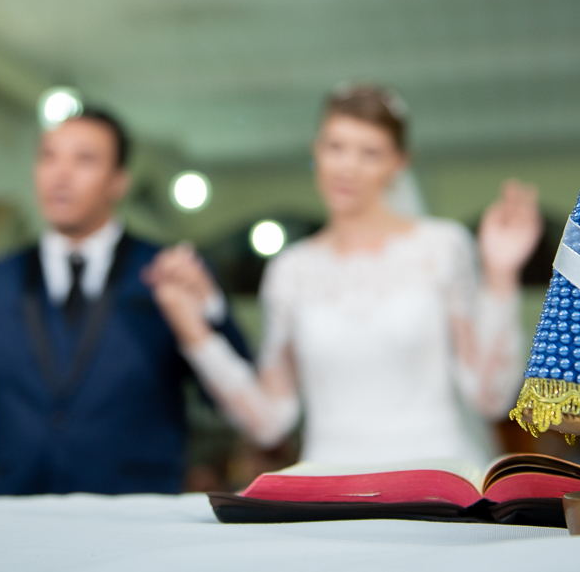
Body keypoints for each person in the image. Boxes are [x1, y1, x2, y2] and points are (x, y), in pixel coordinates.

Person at [0, 107, 249, 495]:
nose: (60, 175)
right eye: (48, 157)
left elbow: (231, 393)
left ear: (118, 180)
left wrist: (210, 310)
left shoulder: (167, 274)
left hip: (136, 508)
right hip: (21, 505)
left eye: (84, 159)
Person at [145, 85, 542, 469]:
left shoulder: (442, 247)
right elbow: (269, 422)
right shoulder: (291, 270)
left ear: (398, 163)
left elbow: (490, 397)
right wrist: (194, 333)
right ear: (316, 152)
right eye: (335, 147)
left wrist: (501, 275)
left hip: (438, 476)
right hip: (332, 485)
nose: (347, 167)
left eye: (370, 153)